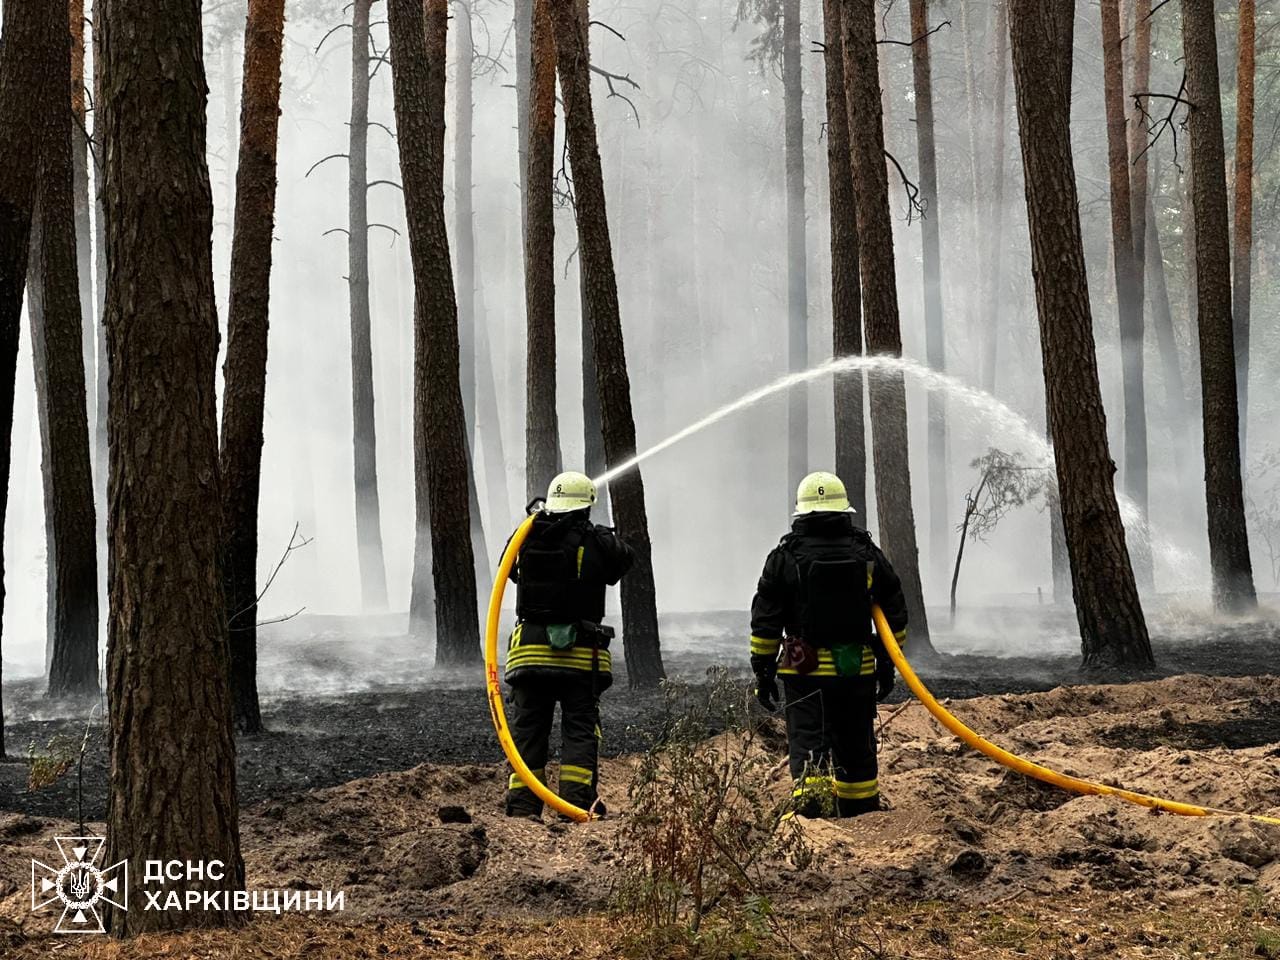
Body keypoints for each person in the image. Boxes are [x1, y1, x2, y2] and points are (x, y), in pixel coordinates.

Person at [749, 471, 909, 818]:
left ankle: (812, 817)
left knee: (808, 741)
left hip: (802, 670)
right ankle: (862, 813)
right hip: (856, 668)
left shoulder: (784, 557)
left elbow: (765, 622)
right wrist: (886, 664)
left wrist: (763, 672)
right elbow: (894, 611)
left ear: (802, 513)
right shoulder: (866, 554)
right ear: (843, 511)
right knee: (855, 743)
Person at [504, 470, 635, 818]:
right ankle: (575, 803)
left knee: (528, 730)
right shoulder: (592, 540)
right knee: (579, 729)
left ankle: (522, 807)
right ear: (587, 507)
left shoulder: (527, 535)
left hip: (528, 655)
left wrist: (539, 526)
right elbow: (623, 560)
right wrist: (592, 533)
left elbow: (511, 570)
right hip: (578, 657)